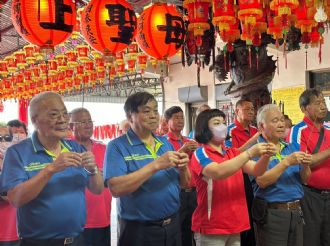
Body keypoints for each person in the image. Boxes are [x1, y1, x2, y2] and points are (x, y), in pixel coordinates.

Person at [0, 91, 104, 246]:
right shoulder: (17, 152)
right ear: (35, 120)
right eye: (54, 115)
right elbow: (15, 199)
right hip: (38, 242)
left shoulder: (75, 147)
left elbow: (97, 190)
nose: (62, 120)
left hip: (78, 239)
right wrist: (51, 169)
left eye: (64, 114)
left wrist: (93, 169)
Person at [103, 91, 191, 246]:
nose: (153, 116)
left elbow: (184, 185)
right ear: (131, 117)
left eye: (155, 110)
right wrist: (156, 165)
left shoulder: (164, 144)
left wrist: (184, 169)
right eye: (146, 111)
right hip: (139, 231)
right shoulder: (117, 146)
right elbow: (116, 188)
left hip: (173, 225)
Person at [190, 109, 276, 246]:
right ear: (204, 128)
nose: (223, 127)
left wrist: (266, 155)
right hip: (212, 226)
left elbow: (256, 170)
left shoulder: (231, 152)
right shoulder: (200, 153)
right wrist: (249, 153)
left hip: (235, 223)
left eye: (224, 123)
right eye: (216, 123)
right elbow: (218, 172)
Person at [252, 104, 313, 246]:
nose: (281, 124)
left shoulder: (291, 147)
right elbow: (262, 181)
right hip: (272, 213)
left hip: (296, 211)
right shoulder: (256, 150)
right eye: (274, 121)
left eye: (281, 120)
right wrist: (286, 162)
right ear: (261, 127)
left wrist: (305, 165)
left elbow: (305, 179)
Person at [288, 89, 330, 246]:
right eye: (317, 103)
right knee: (311, 239)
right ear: (304, 109)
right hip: (310, 195)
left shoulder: (329, 129)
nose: (323, 106)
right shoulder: (298, 130)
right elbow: (303, 160)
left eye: (324, 102)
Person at [69, 108, 111, 246]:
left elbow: (112, 177)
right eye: (82, 122)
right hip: (75, 222)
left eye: (90, 121)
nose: (88, 125)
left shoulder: (104, 148)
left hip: (102, 217)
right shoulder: (64, 149)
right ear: (71, 126)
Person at [164, 106, 199, 246]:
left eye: (182, 117)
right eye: (176, 118)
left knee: (193, 229)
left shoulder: (189, 140)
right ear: (167, 121)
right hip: (176, 192)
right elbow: (166, 163)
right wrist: (183, 150)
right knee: (177, 231)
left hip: (194, 192)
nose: (180, 120)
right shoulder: (164, 142)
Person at [226, 98, 259, 246]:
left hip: (257, 174)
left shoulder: (255, 130)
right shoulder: (230, 131)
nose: (251, 111)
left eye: (252, 109)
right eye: (247, 109)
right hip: (240, 177)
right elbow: (231, 155)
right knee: (243, 216)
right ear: (236, 111)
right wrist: (252, 141)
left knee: (254, 216)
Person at [0, 125, 20, 246]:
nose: (2, 141)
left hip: (15, 229)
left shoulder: (18, 159)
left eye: (7, 138)